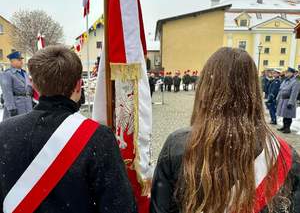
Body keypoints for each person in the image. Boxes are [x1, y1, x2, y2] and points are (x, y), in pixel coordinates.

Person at [150, 47, 300, 213]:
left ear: (205, 88)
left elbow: (160, 208)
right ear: (253, 89)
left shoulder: (177, 144)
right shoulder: (285, 156)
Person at [0, 46, 137, 213]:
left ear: (34, 86)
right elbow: (119, 206)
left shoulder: (4, 131)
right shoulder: (98, 137)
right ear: (79, 85)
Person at [0, 51, 33, 121]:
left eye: (21, 59)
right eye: (19, 60)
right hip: (17, 106)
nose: (21, 61)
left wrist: (32, 100)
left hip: (28, 105)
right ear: (12, 61)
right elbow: (7, 92)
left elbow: (29, 88)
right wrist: (11, 108)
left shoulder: (24, 73)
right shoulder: (7, 74)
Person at [277, 67, 300, 134]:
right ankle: (284, 126)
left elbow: (294, 93)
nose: (286, 73)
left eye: (288, 72)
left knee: (288, 116)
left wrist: (291, 102)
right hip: (283, 100)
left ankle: (287, 128)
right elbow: (280, 90)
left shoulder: (295, 82)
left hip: (288, 100)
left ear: (291, 73)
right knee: (284, 115)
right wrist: (278, 98)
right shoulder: (285, 80)